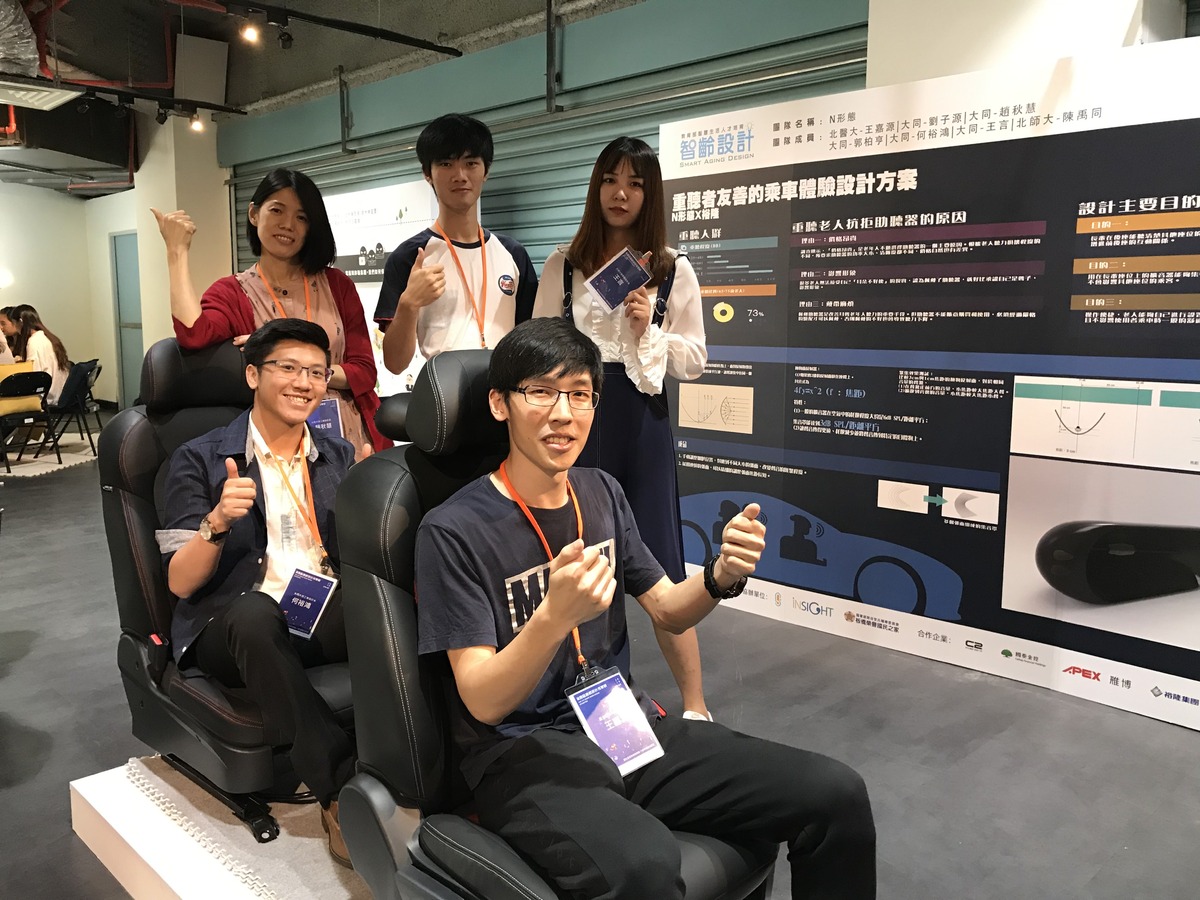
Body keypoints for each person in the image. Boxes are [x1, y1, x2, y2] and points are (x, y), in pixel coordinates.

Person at [415, 318, 876, 899]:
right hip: (520, 751)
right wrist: (553, 618)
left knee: (835, 793)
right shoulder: (452, 530)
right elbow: (482, 700)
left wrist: (720, 575)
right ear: (499, 404)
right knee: (645, 867)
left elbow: (668, 611)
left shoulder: (601, 492)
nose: (563, 414)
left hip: (619, 723)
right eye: (540, 392)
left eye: (579, 394)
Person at [155, 318, 362, 867]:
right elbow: (179, 581)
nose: (304, 383)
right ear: (253, 375)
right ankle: (337, 791)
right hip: (232, 626)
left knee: (390, 603)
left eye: (316, 372)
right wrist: (217, 522)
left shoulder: (337, 454)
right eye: (288, 368)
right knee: (253, 613)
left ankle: (424, 767)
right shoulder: (199, 458)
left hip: (316, 611)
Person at [533, 137, 712, 720]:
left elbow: (696, 359)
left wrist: (648, 331)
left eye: (635, 183)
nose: (621, 193)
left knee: (661, 561)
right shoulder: (563, 264)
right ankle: (580, 694)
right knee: (575, 556)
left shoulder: (672, 268)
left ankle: (695, 706)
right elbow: (534, 344)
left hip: (642, 423)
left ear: (649, 193)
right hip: (574, 419)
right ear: (596, 187)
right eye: (611, 179)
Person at [153, 167, 389, 456]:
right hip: (277, 438)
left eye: (301, 217)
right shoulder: (232, 292)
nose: (288, 224)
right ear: (254, 214)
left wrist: (285, 361)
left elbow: (364, 372)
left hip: (350, 434)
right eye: (277, 210)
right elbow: (194, 334)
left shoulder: (338, 285)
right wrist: (177, 252)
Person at [374, 113, 538, 375]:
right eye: (446, 164)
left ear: (486, 171)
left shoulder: (512, 253)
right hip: (442, 389)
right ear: (427, 173)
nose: (460, 175)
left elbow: (532, 338)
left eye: (471, 163)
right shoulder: (410, 256)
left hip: (505, 387)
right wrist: (409, 303)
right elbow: (395, 364)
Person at [4, 304, 69, 404]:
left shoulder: (34, 342)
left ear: (20, 322)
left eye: (14, 323)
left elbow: (33, 376)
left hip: (46, 398)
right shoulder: (48, 338)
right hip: (60, 393)